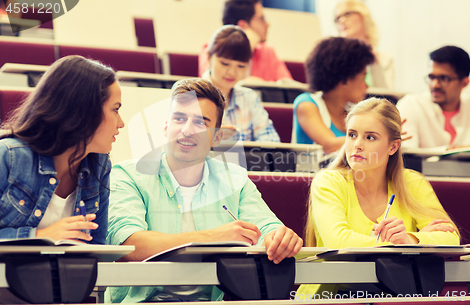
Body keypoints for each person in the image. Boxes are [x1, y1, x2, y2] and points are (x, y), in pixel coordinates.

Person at [106, 78, 302, 302]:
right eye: (179, 118)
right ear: (166, 126)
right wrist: (212, 237)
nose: (187, 130)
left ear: (216, 137)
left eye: (201, 122)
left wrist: (278, 237)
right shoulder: (128, 174)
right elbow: (129, 246)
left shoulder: (235, 180)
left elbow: (266, 227)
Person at [296, 98, 459, 298]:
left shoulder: (413, 182)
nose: (357, 145)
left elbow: (450, 236)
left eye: (370, 137)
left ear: (393, 147)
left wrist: (410, 239)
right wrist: (397, 244)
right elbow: (338, 241)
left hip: (394, 293)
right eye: (352, 135)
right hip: (333, 295)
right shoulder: (328, 181)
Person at [0, 55, 124, 244]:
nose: (121, 123)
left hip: (66, 273)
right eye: (115, 110)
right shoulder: (8, 157)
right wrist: (40, 236)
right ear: (84, 111)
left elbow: (96, 247)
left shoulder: (100, 164)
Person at [397, 46, 470, 152]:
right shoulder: (411, 104)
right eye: (431, 77)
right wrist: (467, 149)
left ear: (464, 83)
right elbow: (407, 155)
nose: (435, 85)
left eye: (444, 78)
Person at [292, 37, 374, 154]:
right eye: (363, 77)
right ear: (345, 79)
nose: (366, 86)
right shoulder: (306, 104)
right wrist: (378, 139)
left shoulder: (355, 111)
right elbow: (331, 145)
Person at [203, 24, 280, 142]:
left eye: (241, 66)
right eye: (225, 63)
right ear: (209, 57)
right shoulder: (188, 95)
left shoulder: (249, 98)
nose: (232, 72)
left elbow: (271, 142)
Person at [198, 0, 292, 82]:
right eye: (261, 19)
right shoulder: (211, 48)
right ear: (242, 25)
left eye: (241, 65)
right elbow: (210, 84)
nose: (267, 24)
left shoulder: (268, 52)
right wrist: (246, 46)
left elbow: (290, 88)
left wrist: (263, 86)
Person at [334, 0, 394, 89]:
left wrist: (375, 65)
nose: (342, 20)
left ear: (363, 16)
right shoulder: (334, 58)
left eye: (347, 14)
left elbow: (387, 97)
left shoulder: (384, 60)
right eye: (337, 18)